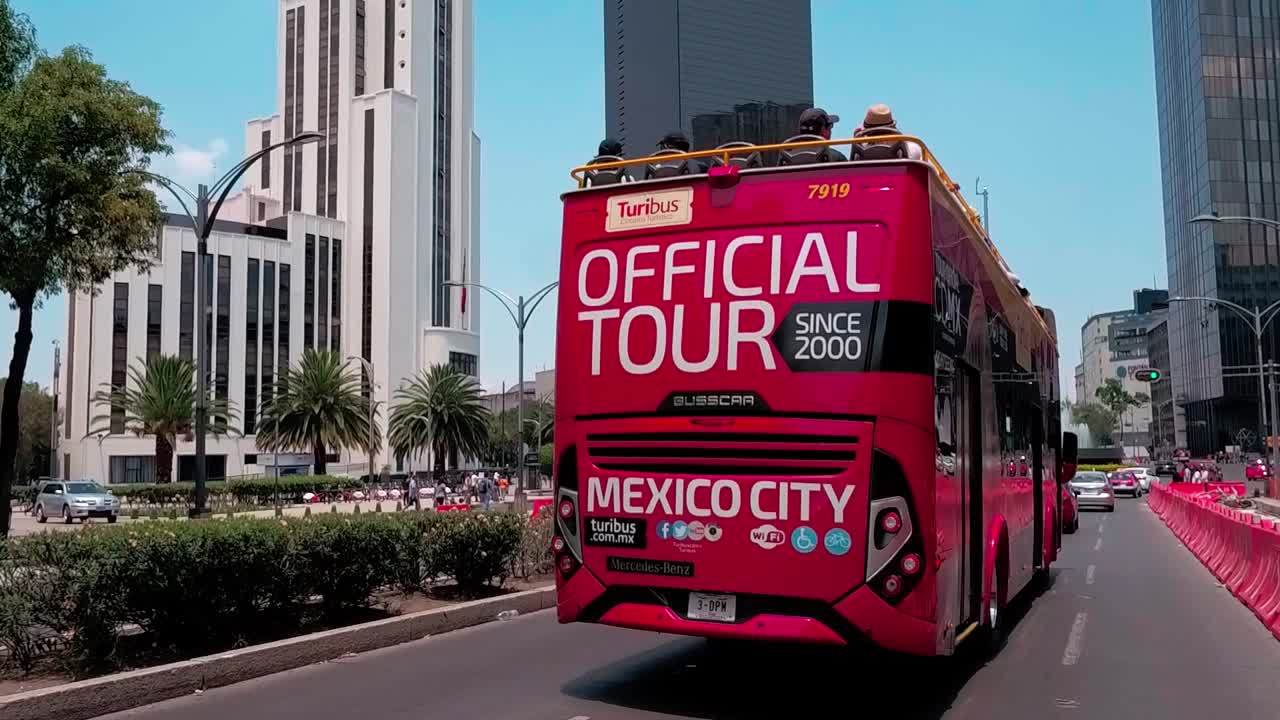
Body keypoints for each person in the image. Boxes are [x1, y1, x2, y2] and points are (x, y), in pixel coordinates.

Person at [853, 103, 923, 160]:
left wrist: (856, 144)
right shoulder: (913, 148)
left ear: (866, 133)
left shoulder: (860, 154)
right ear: (893, 128)